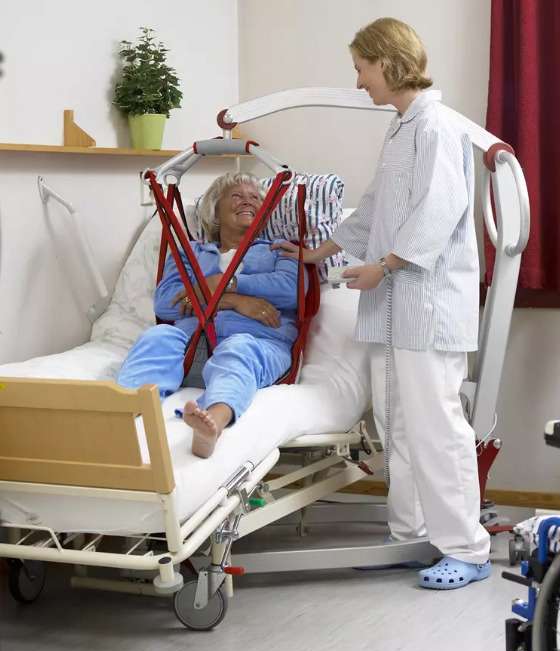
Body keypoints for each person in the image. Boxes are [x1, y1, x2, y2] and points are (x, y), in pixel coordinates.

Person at [274, 18, 490, 590]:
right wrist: (314, 252)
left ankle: (466, 548)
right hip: (394, 307)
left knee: (436, 428)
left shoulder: (437, 128)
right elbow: (374, 208)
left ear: (387, 63)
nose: (359, 80)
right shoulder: (400, 129)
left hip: (426, 303)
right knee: (397, 423)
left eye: (360, 68)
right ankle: (413, 535)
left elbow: (438, 213)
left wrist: (386, 265)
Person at [118, 172, 303, 459]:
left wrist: (224, 285)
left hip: (256, 345)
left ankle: (211, 424)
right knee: (159, 336)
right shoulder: (191, 253)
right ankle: (122, 414)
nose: (248, 201)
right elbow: (166, 304)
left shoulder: (279, 251)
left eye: (255, 197)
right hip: (191, 350)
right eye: (237, 195)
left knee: (237, 348)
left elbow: (292, 291)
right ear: (215, 209)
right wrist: (233, 301)